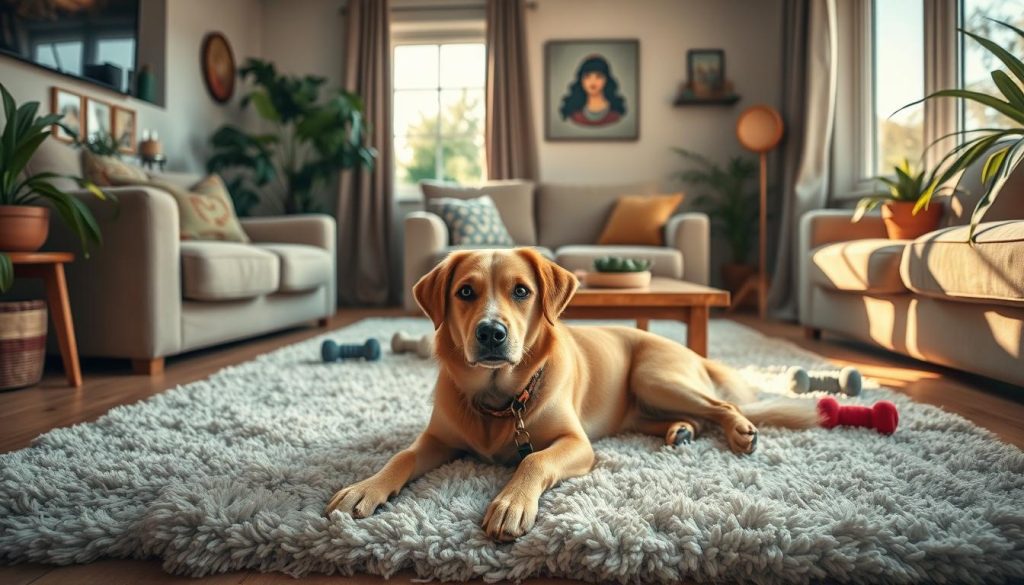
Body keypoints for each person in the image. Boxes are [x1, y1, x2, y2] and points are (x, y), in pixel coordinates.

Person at [559, 54, 626, 127]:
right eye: (587, 76)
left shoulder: (615, 113)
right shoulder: (575, 114)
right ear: (581, 80)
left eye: (599, 76)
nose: (593, 81)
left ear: (607, 80)